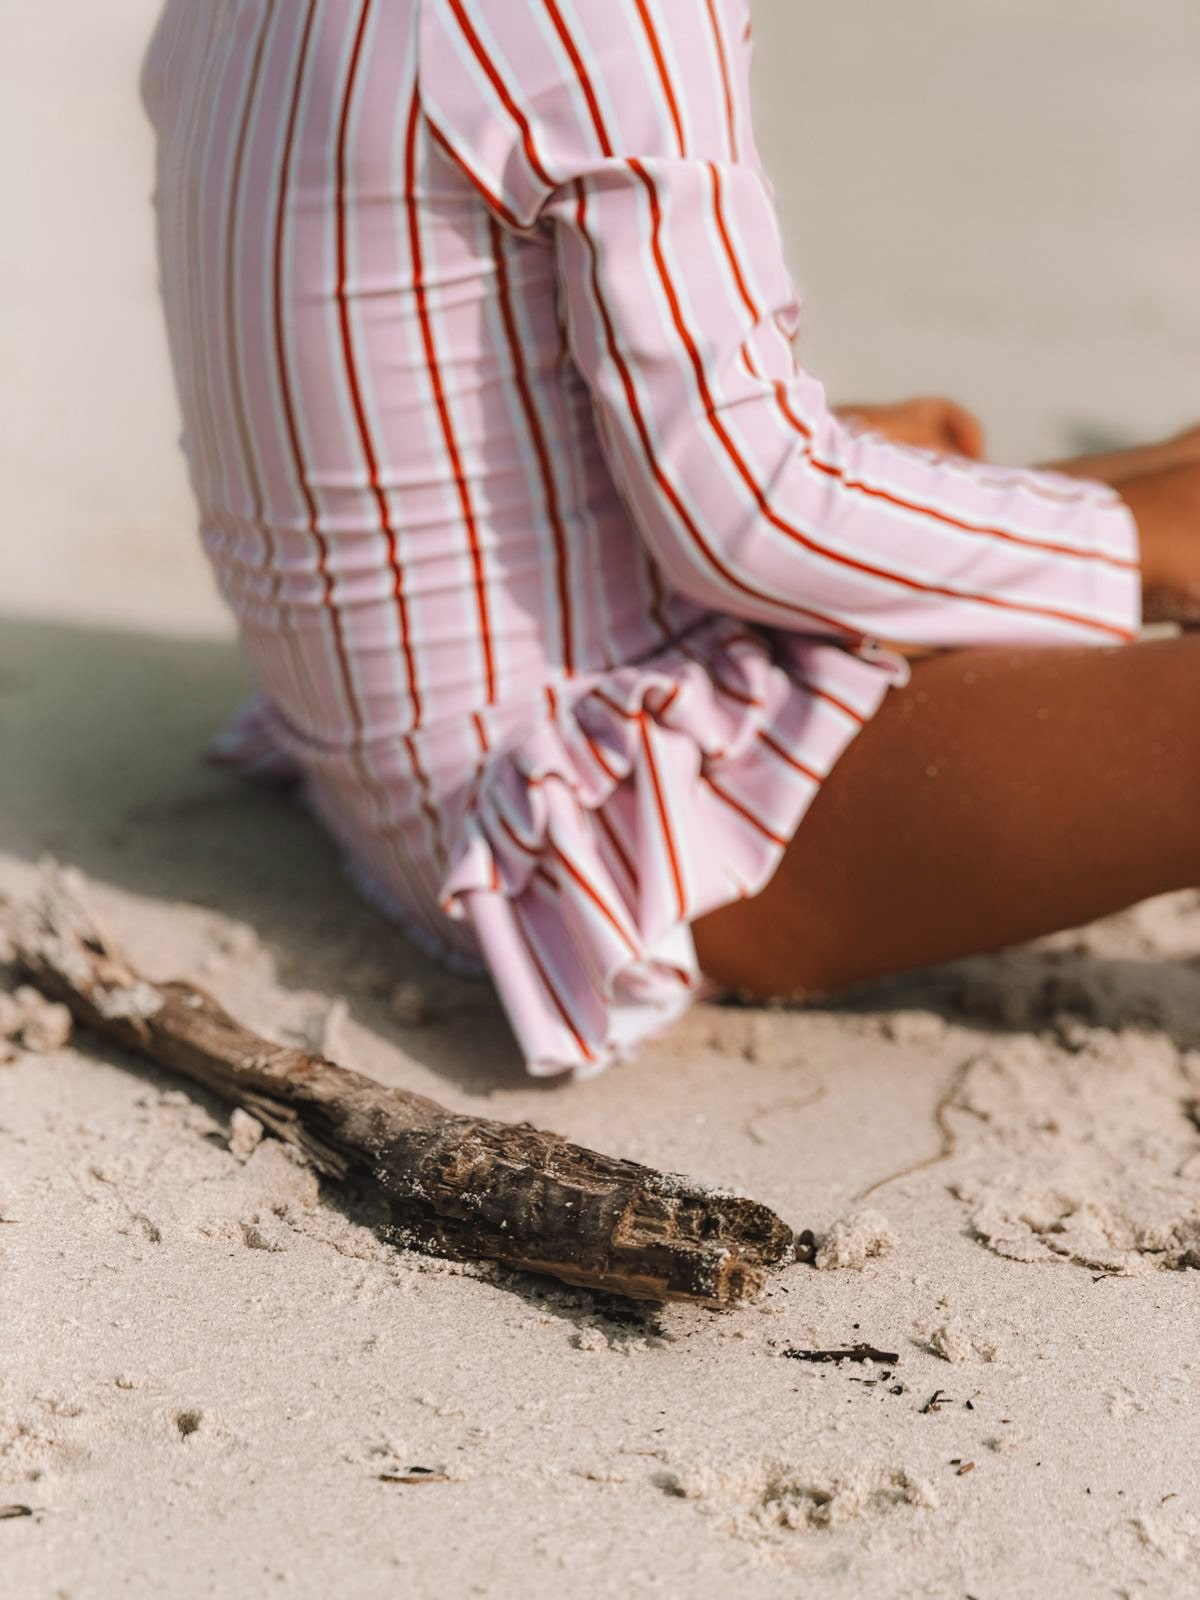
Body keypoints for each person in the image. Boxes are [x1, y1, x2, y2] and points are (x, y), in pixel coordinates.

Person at [141, 0, 1200, 1077]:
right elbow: (751, 521)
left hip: (378, 747)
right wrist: (1143, 550)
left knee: (1145, 481)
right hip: (574, 820)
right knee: (1154, 556)